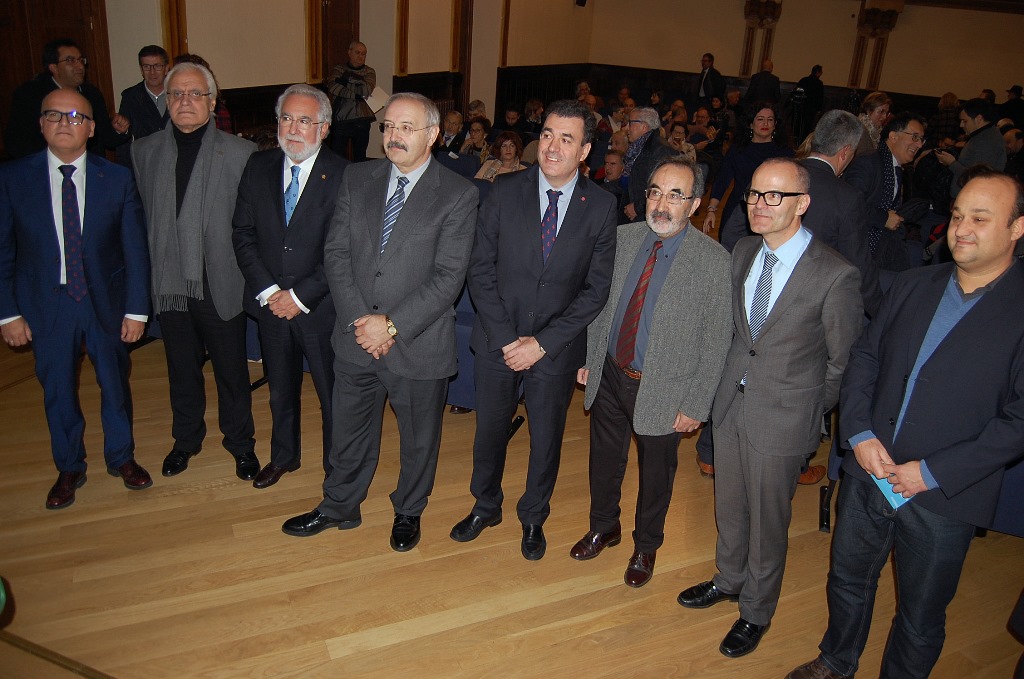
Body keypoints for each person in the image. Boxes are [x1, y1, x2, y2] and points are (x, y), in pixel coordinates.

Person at [786, 171, 1024, 679]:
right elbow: (865, 360)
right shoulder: (915, 283)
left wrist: (931, 472)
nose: (961, 228)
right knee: (848, 579)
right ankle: (836, 660)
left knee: (920, 616)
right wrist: (859, 434)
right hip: (872, 468)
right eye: (958, 215)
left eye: (980, 219)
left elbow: (1019, 421)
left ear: (1018, 228)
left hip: (944, 493)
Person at [678, 158, 863, 659]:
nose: (759, 205)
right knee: (730, 504)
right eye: (755, 194)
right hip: (731, 404)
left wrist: (805, 411)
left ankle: (756, 610)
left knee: (768, 519)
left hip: (785, 415)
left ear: (803, 203)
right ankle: (729, 578)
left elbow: (844, 362)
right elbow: (738, 334)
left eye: (773, 196)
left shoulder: (836, 274)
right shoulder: (741, 250)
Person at [282, 93, 477, 552]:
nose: (394, 136)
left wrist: (388, 326)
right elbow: (337, 254)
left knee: (418, 440)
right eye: (388, 127)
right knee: (348, 432)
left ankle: (408, 510)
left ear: (433, 135)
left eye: (407, 128)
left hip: (418, 341)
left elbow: (449, 278)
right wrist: (360, 320)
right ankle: (338, 506)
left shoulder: (458, 194)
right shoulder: (358, 177)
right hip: (354, 337)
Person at [450, 99, 617, 561]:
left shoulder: (602, 207)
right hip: (497, 342)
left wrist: (541, 344)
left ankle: (533, 517)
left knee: (546, 438)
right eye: (547, 134)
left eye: (567, 138)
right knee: (489, 432)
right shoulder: (503, 191)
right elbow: (479, 270)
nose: (553, 146)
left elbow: (596, 290)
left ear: (585, 151)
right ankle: (486, 505)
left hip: (555, 350)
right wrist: (508, 340)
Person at [572, 157, 732, 587]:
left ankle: (646, 546)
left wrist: (697, 403)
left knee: (656, 475)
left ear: (694, 204)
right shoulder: (622, 239)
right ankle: (604, 525)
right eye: (655, 192)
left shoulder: (714, 261)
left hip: (664, 389)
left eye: (676, 195)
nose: (662, 204)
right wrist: (590, 357)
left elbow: (717, 340)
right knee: (604, 460)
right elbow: (598, 306)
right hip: (610, 373)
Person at [0, 89, 151, 509]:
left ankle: (121, 457)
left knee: (114, 384)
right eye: (53, 115)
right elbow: (3, 250)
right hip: (46, 305)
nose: (64, 122)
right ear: (41, 124)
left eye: (75, 116)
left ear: (90, 127)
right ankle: (69, 466)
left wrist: (137, 309)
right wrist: (7, 313)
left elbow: (135, 250)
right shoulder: (12, 178)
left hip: (105, 302)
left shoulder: (117, 178)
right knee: (58, 388)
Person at [132, 62, 260, 482]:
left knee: (231, 373)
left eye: (195, 94)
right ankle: (185, 440)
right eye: (177, 94)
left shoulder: (240, 153)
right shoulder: (144, 150)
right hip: (170, 284)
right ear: (167, 101)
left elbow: (248, 225)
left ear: (211, 101)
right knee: (180, 369)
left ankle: (240, 444)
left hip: (220, 282)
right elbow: (143, 218)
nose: (185, 101)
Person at [232, 84, 349, 489]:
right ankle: (284, 456)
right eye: (286, 118)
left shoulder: (345, 175)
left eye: (304, 120)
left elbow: (341, 251)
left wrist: (299, 297)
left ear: (325, 128)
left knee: (331, 394)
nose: (293, 129)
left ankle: (337, 469)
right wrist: (269, 292)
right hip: (270, 307)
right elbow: (243, 234)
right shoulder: (257, 166)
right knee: (280, 389)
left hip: (320, 309)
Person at [801, 109, 883, 318]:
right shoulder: (847, 197)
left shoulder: (773, 172)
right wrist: (882, 313)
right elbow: (859, 264)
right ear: (845, 152)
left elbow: (733, 232)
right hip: (811, 307)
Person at [5, 38, 128, 160]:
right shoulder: (30, 94)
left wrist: (118, 131)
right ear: (54, 67)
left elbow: (105, 138)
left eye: (80, 60)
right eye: (70, 60)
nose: (80, 66)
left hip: (89, 169)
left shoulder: (92, 94)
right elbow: (17, 143)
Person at [843, 112, 926, 281]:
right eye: (914, 137)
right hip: (854, 253)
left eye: (921, 140)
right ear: (893, 136)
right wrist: (883, 218)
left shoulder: (895, 168)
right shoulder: (868, 162)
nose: (918, 144)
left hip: (875, 252)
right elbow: (849, 205)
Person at [703, 103, 794, 252]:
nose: (765, 124)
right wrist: (711, 210)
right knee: (728, 250)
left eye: (770, 120)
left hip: (771, 211)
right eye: (760, 119)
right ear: (751, 124)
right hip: (739, 207)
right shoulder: (738, 149)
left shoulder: (784, 153)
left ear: (775, 124)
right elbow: (722, 179)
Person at [935, 97, 1007, 198]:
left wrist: (951, 163)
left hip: (975, 197)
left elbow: (980, 176)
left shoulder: (987, 140)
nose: (961, 125)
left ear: (978, 119)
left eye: (965, 121)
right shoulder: (984, 135)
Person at [115, 45, 170, 166]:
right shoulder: (130, 97)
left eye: (157, 66)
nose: (152, 72)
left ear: (166, 69)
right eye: (146, 67)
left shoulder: (177, 94)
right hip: (143, 166)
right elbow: (124, 141)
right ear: (141, 70)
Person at [325, 41, 376, 162]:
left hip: (362, 119)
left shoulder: (369, 71)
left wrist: (346, 81)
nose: (360, 56)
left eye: (363, 54)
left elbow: (366, 90)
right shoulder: (338, 69)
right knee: (337, 156)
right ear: (349, 52)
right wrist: (357, 89)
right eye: (357, 53)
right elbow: (333, 87)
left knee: (360, 156)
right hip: (340, 118)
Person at [623, 107, 675, 223]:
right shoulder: (639, 149)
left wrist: (637, 207)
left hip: (650, 217)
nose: (626, 128)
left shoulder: (661, 150)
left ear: (644, 127)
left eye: (630, 123)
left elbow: (662, 187)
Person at [795, 65, 825, 140]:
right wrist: (819, 109)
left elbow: (797, 92)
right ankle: (804, 141)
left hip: (801, 106)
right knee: (808, 127)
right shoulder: (819, 83)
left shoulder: (803, 80)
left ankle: (796, 139)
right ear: (818, 72)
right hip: (812, 109)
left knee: (798, 125)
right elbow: (820, 98)